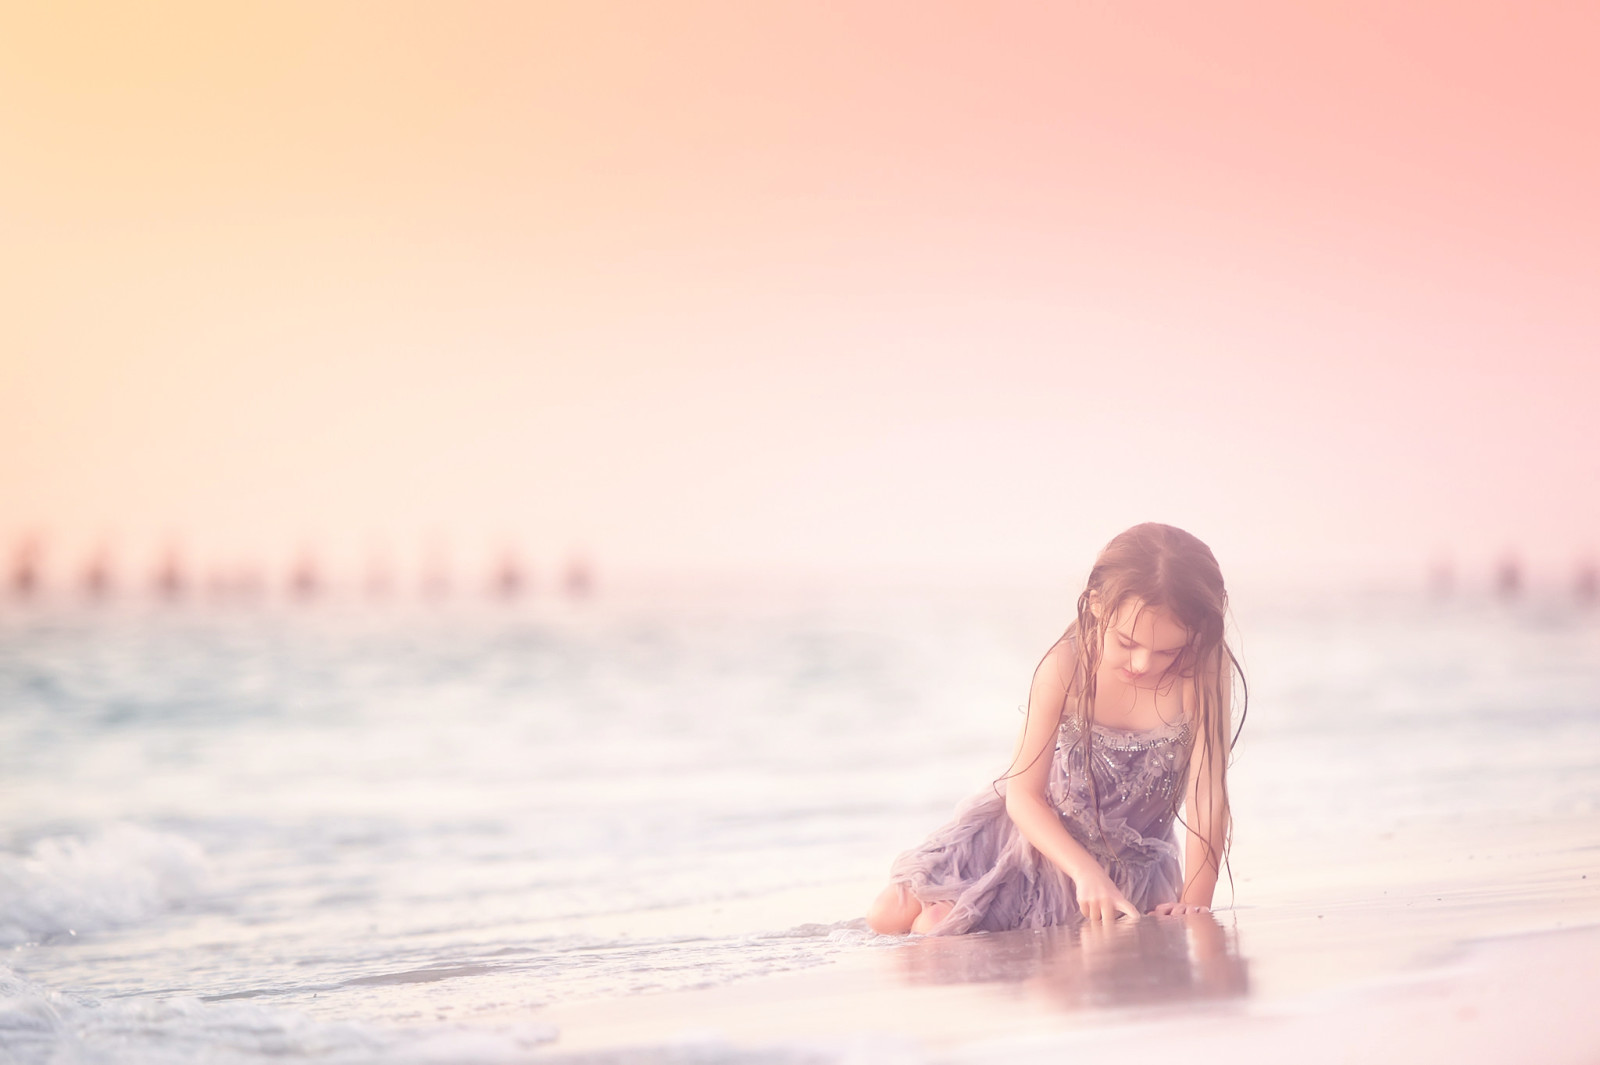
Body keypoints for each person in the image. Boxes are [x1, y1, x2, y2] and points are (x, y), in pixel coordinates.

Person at [865, 523, 1245, 935]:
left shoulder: (1203, 672)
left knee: (935, 927)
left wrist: (1194, 904)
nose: (1143, 664)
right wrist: (1083, 872)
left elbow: (1207, 796)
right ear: (1096, 607)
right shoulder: (1066, 666)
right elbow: (1023, 794)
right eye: (1126, 642)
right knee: (887, 914)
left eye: (1168, 651)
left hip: (1123, 861)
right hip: (1038, 836)